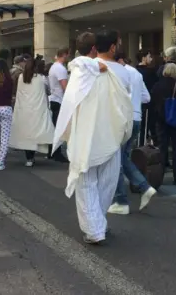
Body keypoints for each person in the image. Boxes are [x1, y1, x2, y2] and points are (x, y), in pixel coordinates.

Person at [53, 30, 133, 245]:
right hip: (111, 132)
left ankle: (95, 228)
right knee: (107, 183)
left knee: (87, 182)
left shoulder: (83, 69)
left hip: (87, 133)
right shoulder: (122, 72)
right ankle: (98, 224)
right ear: (113, 47)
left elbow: (72, 93)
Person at [108, 48, 157, 215]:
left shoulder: (117, 73)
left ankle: (122, 200)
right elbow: (147, 97)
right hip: (137, 118)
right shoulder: (136, 73)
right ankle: (143, 187)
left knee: (116, 159)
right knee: (123, 157)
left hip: (123, 118)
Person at [9, 56, 55, 167]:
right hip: (37, 110)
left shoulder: (21, 78)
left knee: (26, 134)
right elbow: (48, 91)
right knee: (36, 131)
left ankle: (29, 158)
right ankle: (35, 155)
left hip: (24, 110)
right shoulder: (41, 78)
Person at [151, 63, 176, 184]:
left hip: (161, 120)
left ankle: (159, 175)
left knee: (162, 148)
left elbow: (152, 103)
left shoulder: (157, 85)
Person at [48, 47, 70, 162]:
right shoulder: (61, 69)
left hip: (54, 99)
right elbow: (64, 86)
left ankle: (52, 151)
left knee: (55, 127)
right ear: (65, 55)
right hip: (59, 100)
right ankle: (56, 153)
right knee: (59, 128)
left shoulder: (53, 67)